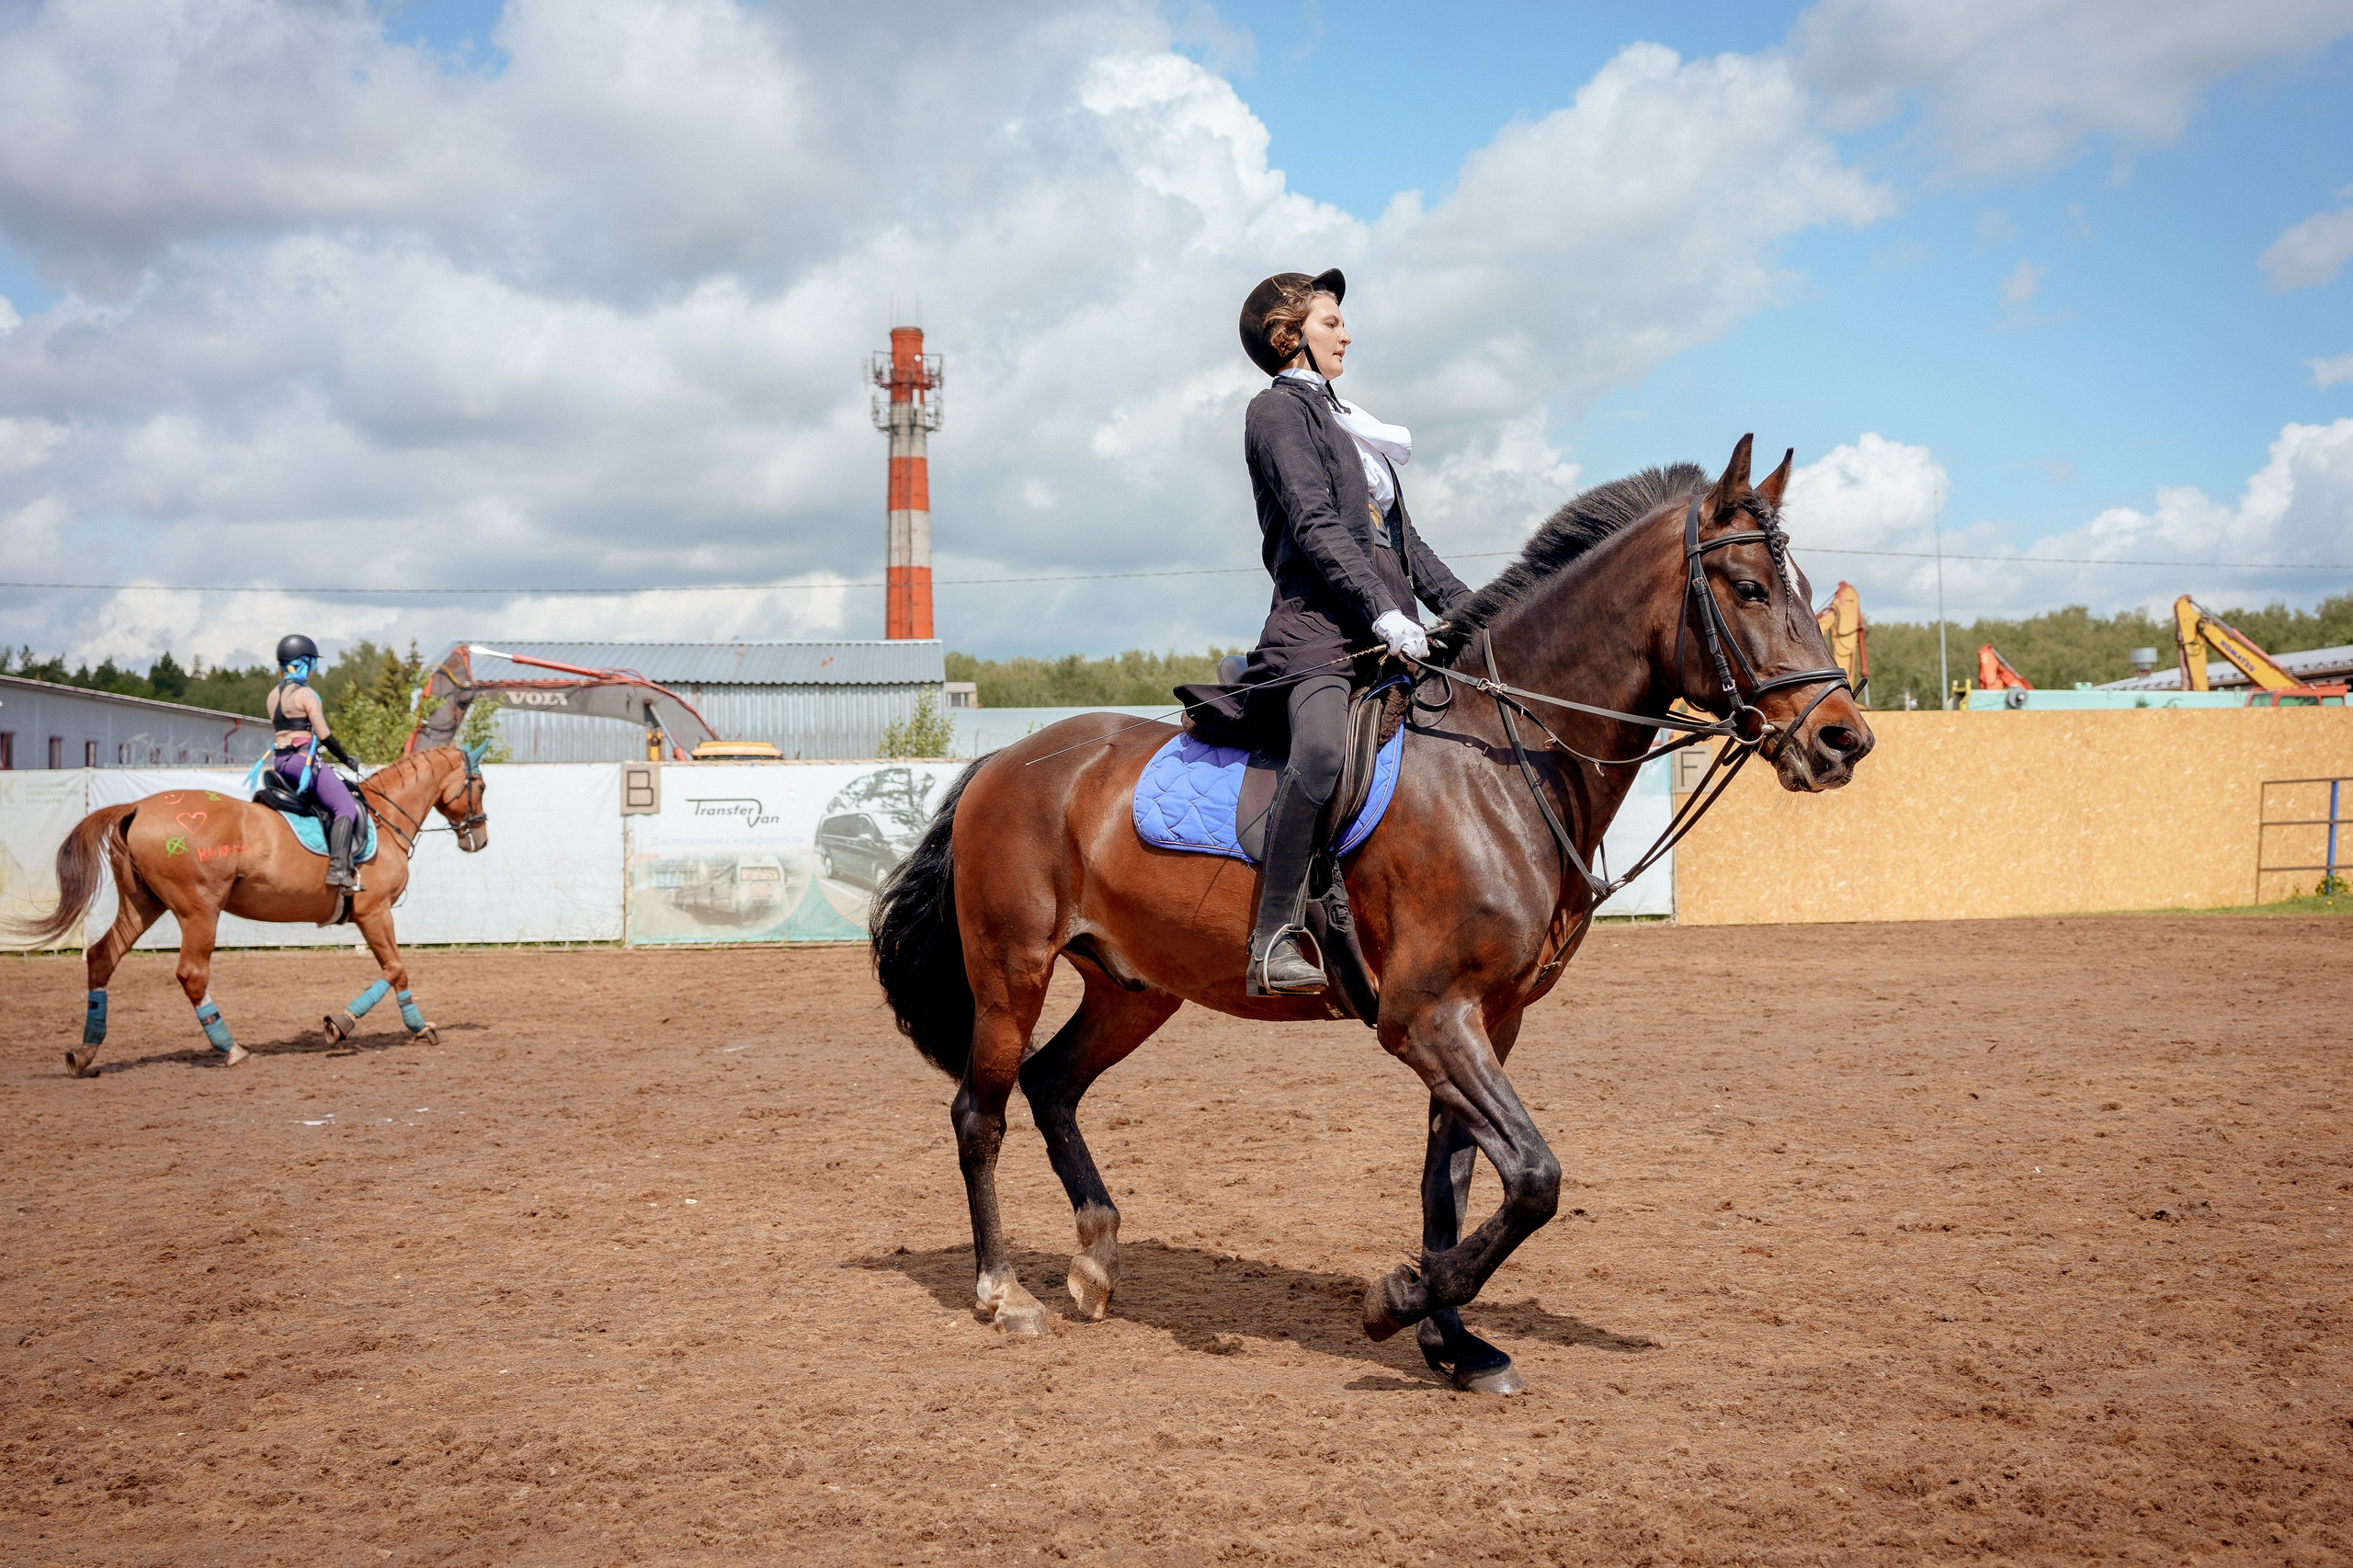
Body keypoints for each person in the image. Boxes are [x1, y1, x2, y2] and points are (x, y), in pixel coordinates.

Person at [1226, 267, 1473, 995]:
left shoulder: (1355, 429)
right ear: (1288, 336)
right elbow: (1313, 524)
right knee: (1326, 751)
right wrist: (1383, 610)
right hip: (1318, 634)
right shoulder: (1274, 414)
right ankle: (1272, 937)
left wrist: (1481, 612)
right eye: (1331, 321)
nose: (1347, 333)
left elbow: (1406, 546)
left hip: (1389, 630)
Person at [267, 634, 367, 892]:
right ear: (305, 664)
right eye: (312, 664)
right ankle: (338, 869)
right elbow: (323, 734)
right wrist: (346, 758)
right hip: (302, 763)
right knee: (345, 806)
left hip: (280, 762)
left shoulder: (272, 696)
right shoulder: (307, 694)